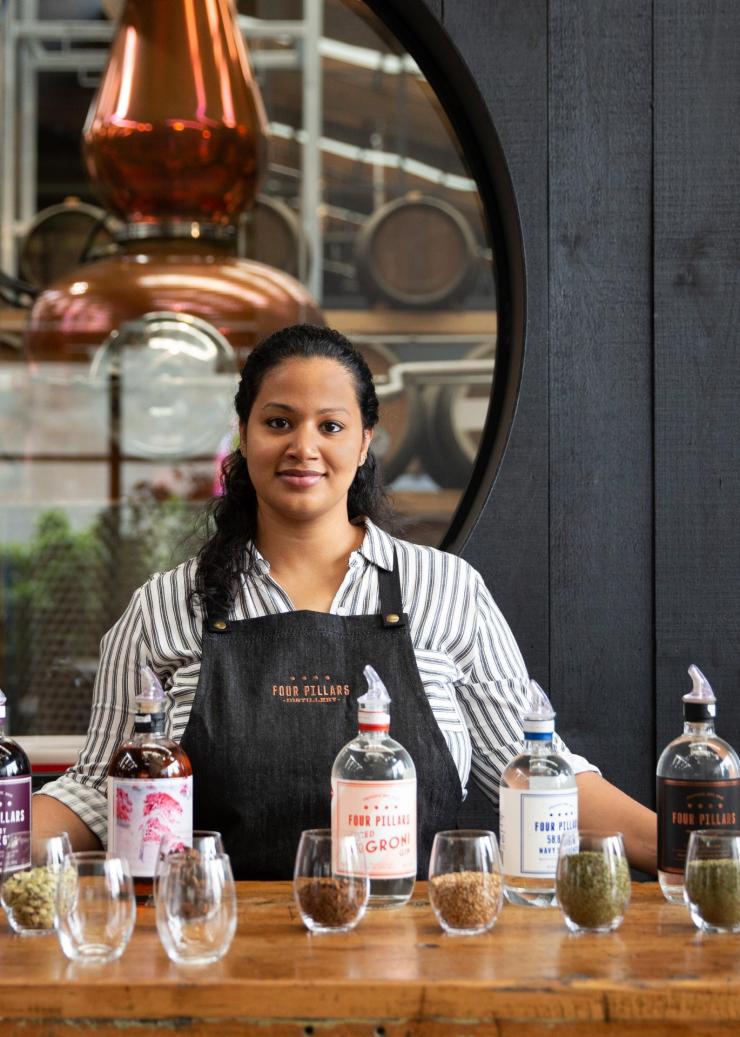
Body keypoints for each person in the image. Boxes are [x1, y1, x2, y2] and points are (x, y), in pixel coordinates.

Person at [34, 324, 656, 878]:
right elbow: (96, 791)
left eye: (330, 425)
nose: (303, 446)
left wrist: (691, 843)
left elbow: (532, 773)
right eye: (278, 422)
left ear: (363, 444)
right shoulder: (166, 605)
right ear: (243, 436)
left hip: (415, 942)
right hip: (220, 940)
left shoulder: (446, 589)